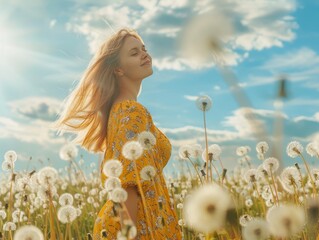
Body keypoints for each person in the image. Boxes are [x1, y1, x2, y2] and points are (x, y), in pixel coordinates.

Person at [53, 28, 182, 240]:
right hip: (136, 227)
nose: (144, 54)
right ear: (118, 70)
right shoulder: (130, 112)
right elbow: (127, 187)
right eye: (134, 53)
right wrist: (128, 235)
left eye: (144, 49)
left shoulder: (121, 110)